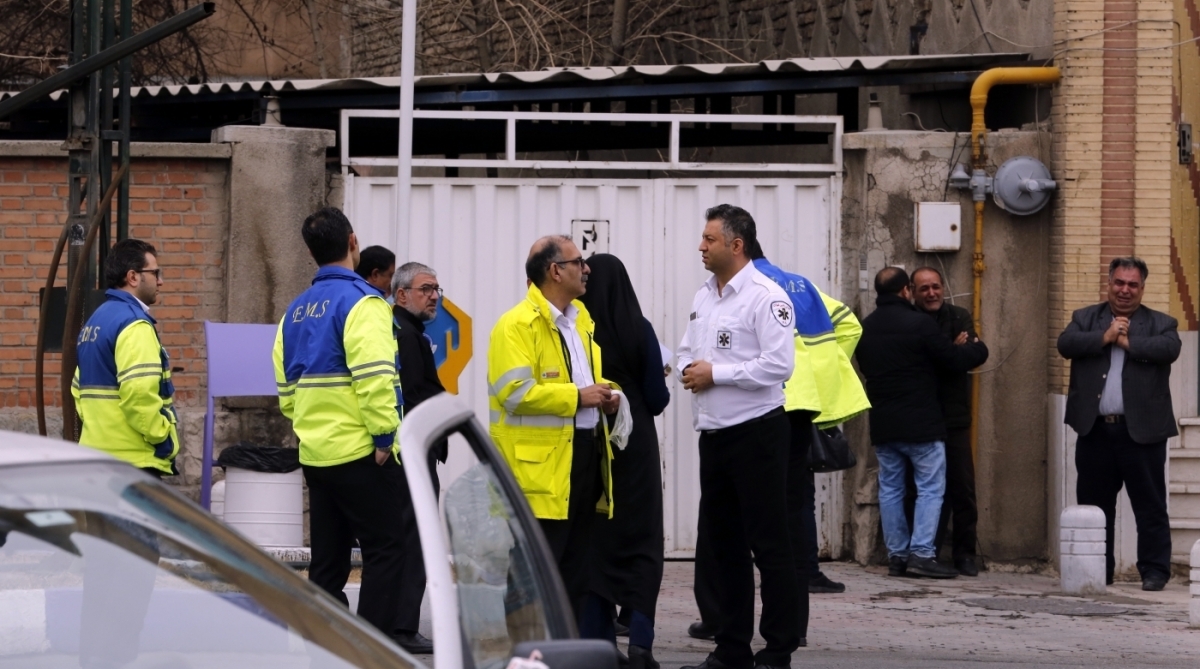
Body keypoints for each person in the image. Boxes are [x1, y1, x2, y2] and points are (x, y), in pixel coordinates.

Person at [687, 249, 869, 647]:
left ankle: (722, 621)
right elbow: (849, 324)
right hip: (802, 406)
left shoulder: (755, 290)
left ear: (739, 249)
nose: (703, 249)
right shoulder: (801, 285)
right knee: (790, 515)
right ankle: (792, 628)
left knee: (731, 522)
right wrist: (826, 368)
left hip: (764, 407)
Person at [272, 207, 427, 651]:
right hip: (362, 452)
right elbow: (377, 375)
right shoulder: (364, 302)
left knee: (327, 562)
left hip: (316, 455)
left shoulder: (295, 311)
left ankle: (324, 649)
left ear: (311, 253)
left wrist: (304, 428)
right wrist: (384, 438)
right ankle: (370, 652)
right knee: (387, 549)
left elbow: (285, 384)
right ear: (354, 242)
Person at [677, 205, 799, 669]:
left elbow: (778, 365)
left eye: (709, 239)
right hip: (715, 434)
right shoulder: (705, 296)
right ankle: (731, 647)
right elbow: (691, 348)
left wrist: (717, 373)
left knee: (769, 543)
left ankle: (778, 648)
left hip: (758, 433)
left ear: (736, 245)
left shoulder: (766, 297)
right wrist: (690, 366)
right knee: (724, 544)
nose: (701, 247)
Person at [487, 235, 620, 625]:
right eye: (579, 261)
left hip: (581, 458)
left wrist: (610, 395)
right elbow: (514, 392)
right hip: (536, 472)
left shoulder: (579, 321)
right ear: (555, 270)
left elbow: (586, 381)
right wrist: (579, 398)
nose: (587, 268)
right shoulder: (515, 325)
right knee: (532, 576)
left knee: (574, 573)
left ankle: (565, 653)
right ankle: (525, 658)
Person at [855, 267, 987, 579]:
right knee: (930, 489)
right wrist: (964, 347)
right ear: (906, 291)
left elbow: (866, 366)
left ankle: (897, 556)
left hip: (884, 423)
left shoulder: (866, 328)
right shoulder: (920, 325)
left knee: (891, 489)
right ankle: (922, 554)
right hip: (922, 423)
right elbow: (954, 361)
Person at [1056, 257, 1178, 591]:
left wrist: (1128, 342)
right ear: (1109, 283)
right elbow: (1065, 344)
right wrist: (1105, 336)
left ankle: (1154, 571)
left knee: (1150, 506)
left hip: (1142, 432)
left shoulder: (1161, 323)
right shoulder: (1085, 319)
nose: (1125, 290)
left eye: (1133, 284)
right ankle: (1098, 570)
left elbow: (1170, 349)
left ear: (1142, 288)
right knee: (1096, 507)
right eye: (1119, 283)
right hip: (1095, 431)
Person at [578, 253, 670, 669]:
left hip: (591, 446)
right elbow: (657, 399)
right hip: (636, 449)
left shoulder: (578, 332)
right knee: (643, 541)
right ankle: (641, 643)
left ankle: (599, 643)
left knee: (596, 543)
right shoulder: (639, 328)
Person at [72, 238, 179, 477]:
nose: (160, 281)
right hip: (132, 460)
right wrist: (161, 436)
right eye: (155, 273)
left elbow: (78, 390)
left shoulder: (96, 320)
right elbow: (139, 395)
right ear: (133, 277)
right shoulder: (134, 324)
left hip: (97, 457)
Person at [910, 267, 988, 576]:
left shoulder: (959, 315)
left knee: (963, 488)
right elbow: (918, 364)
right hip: (923, 419)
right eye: (924, 289)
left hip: (955, 418)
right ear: (913, 293)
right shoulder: (912, 322)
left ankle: (965, 554)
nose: (931, 293)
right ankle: (926, 553)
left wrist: (953, 353)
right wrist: (951, 351)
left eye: (935, 287)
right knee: (924, 491)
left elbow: (979, 351)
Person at [388, 260, 446, 652]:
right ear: (402, 293)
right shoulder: (407, 336)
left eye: (437, 289)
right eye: (426, 289)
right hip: (411, 452)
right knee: (414, 539)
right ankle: (403, 628)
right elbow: (411, 395)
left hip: (404, 452)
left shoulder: (407, 331)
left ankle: (397, 624)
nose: (434, 296)